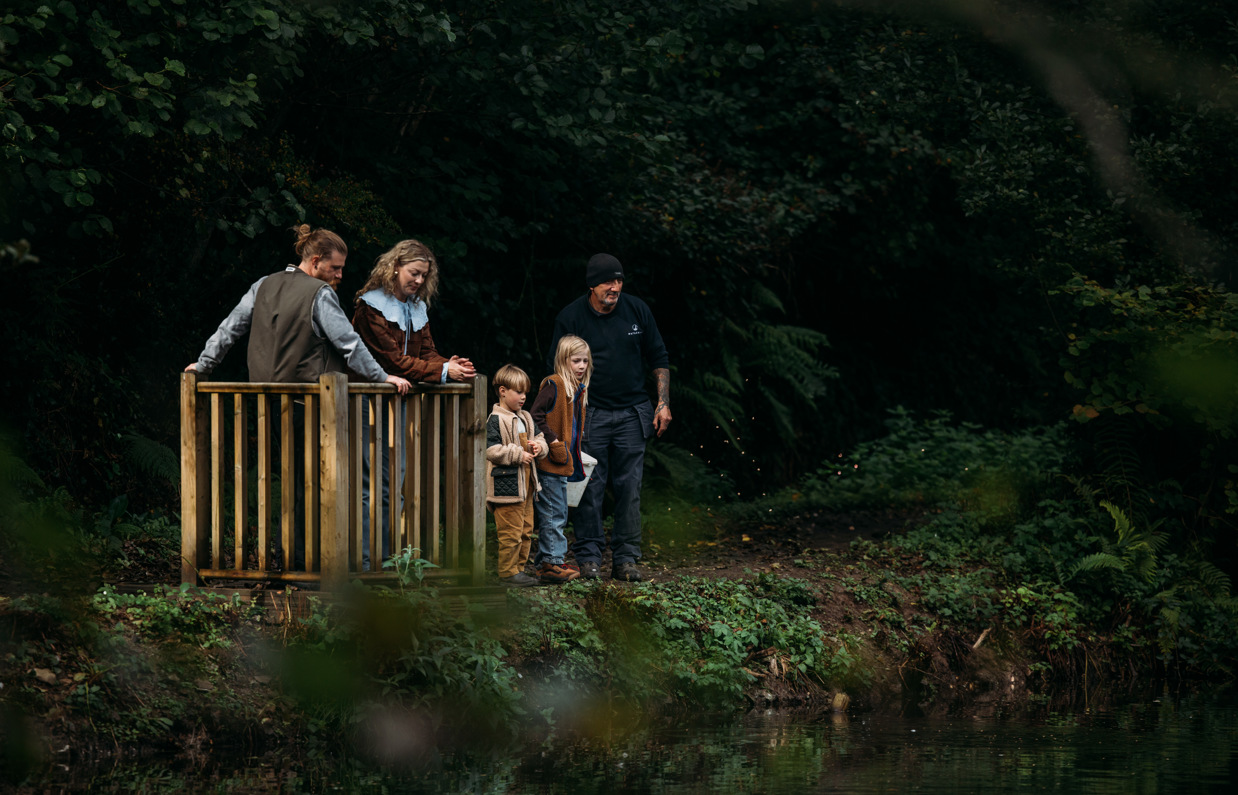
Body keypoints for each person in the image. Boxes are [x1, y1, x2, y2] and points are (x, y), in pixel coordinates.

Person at [186, 224, 411, 570]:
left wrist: (203, 366)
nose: (339, 275)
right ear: (316, 261)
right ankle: (309, 561)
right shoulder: (319, 294)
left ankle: (286, 557)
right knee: (318, 480)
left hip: (266, 403)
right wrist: (382, 377)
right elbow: (349, 344)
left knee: (291, 478)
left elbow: (229, 328)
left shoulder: (264, 284)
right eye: (335, 268)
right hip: (311, 402)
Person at [351, 239, 476, 569]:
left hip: (400, 403)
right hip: (368, 400)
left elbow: (425, 354)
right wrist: (442, 371)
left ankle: (390, 557)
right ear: (395, 267)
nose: (419, 281)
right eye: (414, 273)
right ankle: (366, 560)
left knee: (396, 480)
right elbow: (392, 362)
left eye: (424, 275)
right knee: (371, 482)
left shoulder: (415, 307)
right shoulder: (371, 307)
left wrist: (450, 364)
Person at [547, 253, 670, 582]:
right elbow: (557, 369)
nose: (614, 287)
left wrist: (662, 403)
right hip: (589, 413)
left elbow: (658, 355)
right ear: (592, 284)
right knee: (589, 487)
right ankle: (588, 558)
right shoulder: (571, 317)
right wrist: (567, 415)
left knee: (630, 487)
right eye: (607, 282)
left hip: (633, 412)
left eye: (618, 281)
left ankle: (626, 558)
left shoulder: (637, 310)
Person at [529, 335, 590, 585]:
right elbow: (535, 414)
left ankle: (546, 561)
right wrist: (553, 441)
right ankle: (553, 564)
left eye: (586, 361)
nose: (582, 366)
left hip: (564, 462)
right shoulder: (554, 384)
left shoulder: (577, 389)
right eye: (576, 361)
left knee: (557, 512)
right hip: (550, 462)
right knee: (554, 514)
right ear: (564, 360)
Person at [484, 364, 548, 587]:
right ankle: (507, 572)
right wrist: (516, 454)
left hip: (527, 486)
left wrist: (540, 447)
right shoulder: (495, 419)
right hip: (506, 487)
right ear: (502, 391)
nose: (523, 397)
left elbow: (540, 438)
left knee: (526, 530)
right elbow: (490, 450)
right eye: (518, 392)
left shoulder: (527, 418)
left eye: (525, 393)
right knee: (510, 533)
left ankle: (519, 570)